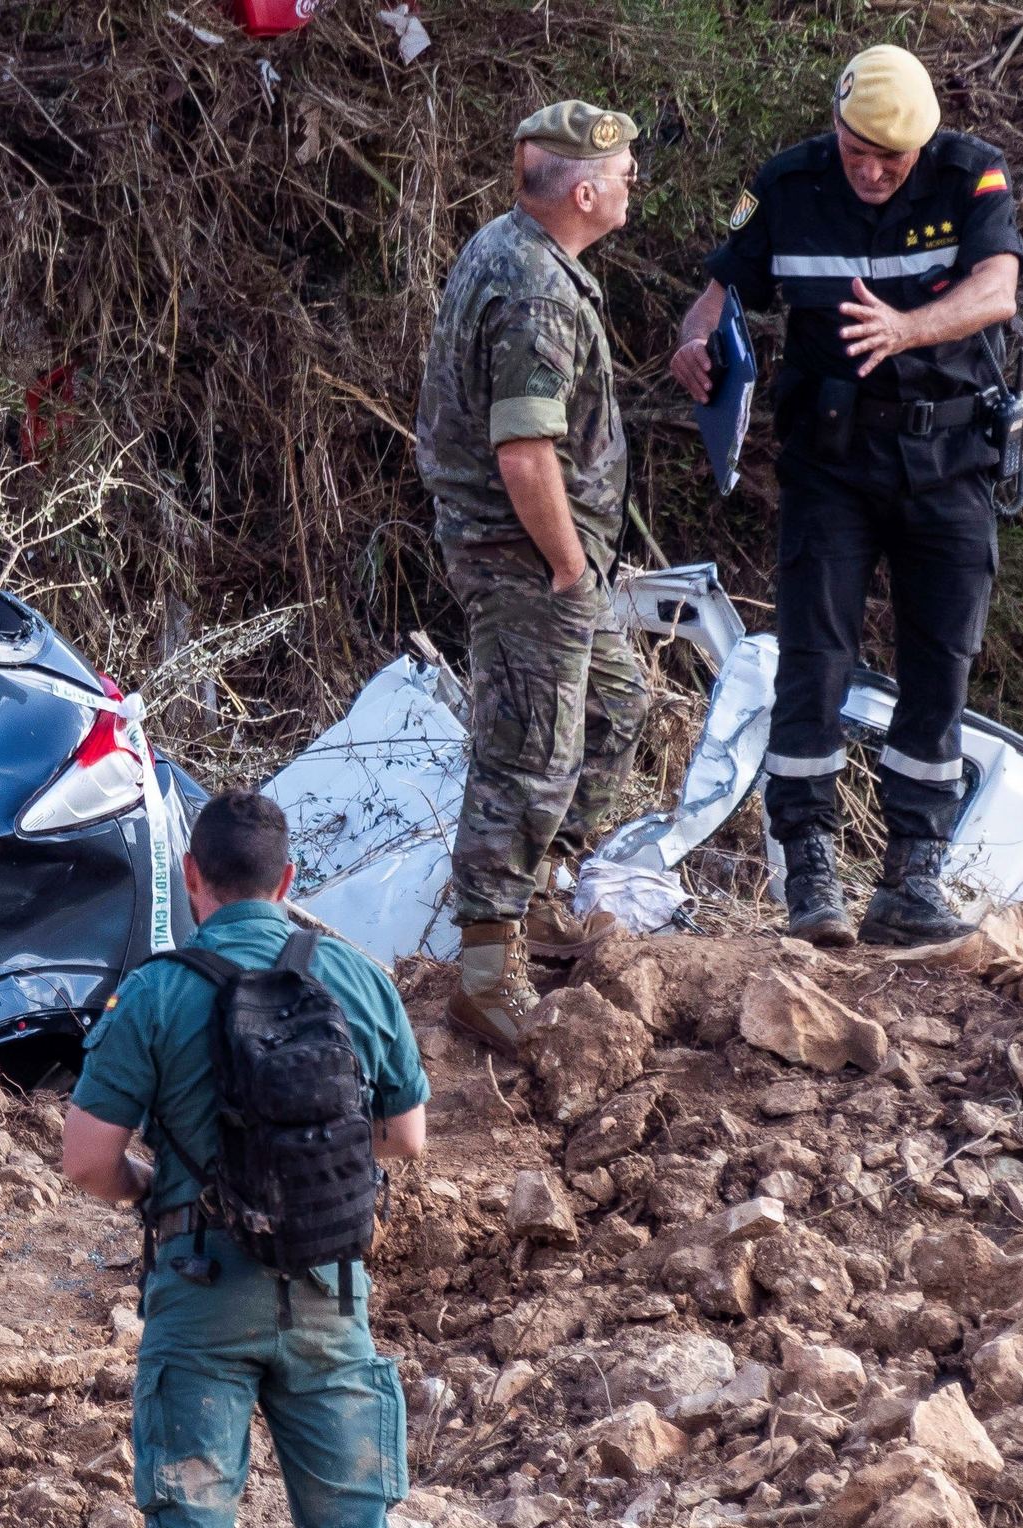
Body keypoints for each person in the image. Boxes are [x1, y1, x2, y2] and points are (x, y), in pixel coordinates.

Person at [60, 788, 429, 1528]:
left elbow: (86, 1158)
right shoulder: (354, 975)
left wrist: (156, 1186)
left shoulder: (156, 991)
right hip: (329, 1297)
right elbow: (406, 1137)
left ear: (192, 879)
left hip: (199, 1294)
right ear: (288, 879)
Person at [670, 44, 1023, 948]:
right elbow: (719, 293)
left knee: (939, 662)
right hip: (831, 461)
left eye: (890, 160)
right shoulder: (788, 184)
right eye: (856, 151)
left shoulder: (971, 175)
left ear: (922, 146)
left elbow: (997, 290)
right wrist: (697, 343)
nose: (870, 171)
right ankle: (811, 874)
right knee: (814, 659)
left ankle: (911, 878)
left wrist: (906, 328)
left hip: (949, 461)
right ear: (835, 127)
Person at [415, 99, 652, 1055]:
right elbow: (523, 451)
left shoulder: (518, 249)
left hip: (545, 556)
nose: (633, 184)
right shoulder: (537, 292)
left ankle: (538, 896)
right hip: (525, 558)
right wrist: (565, 563)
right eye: (624, 174)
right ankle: (484, 975)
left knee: (618, 703)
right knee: (527, 756)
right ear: (583, 192)